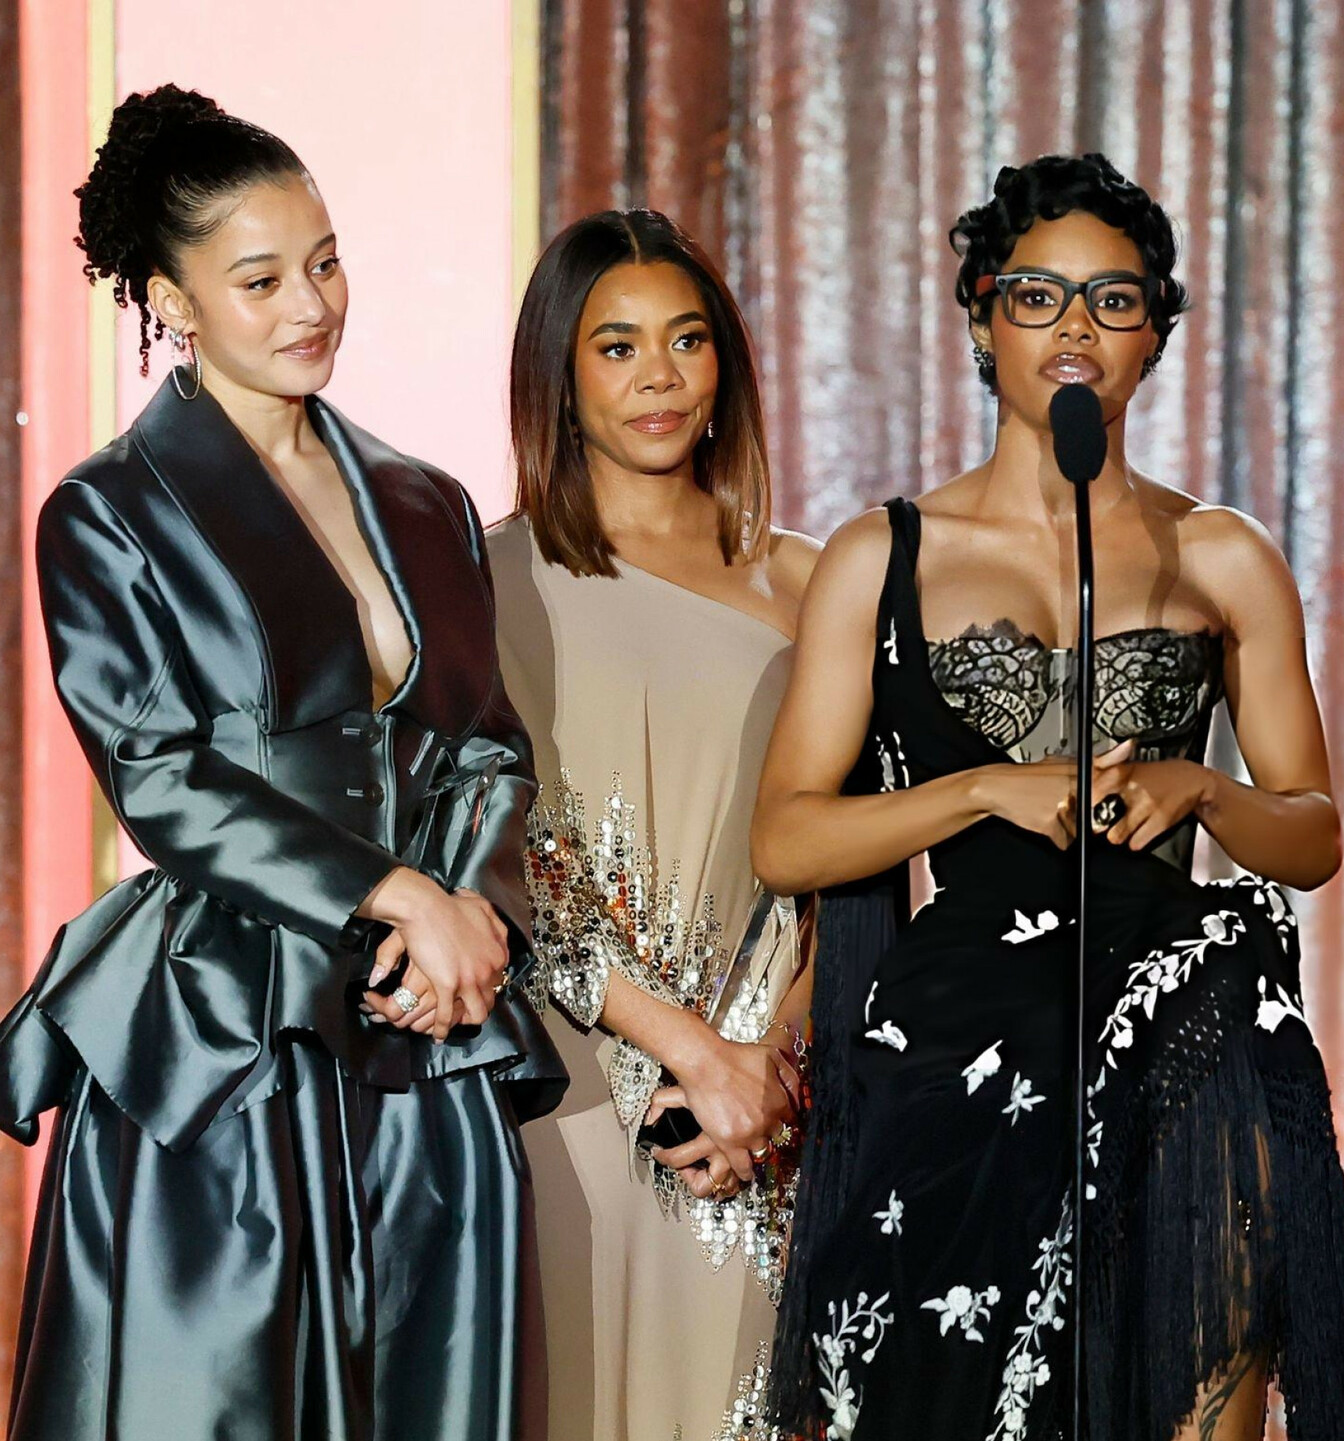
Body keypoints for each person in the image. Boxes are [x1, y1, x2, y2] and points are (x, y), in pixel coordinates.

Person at [756, 154, 1344, 1440]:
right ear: (982, 316)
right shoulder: (881, 554)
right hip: (961, 1045)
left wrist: (1200, 788)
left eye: (1115, 299)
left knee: (1202, 1374)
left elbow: (1312, 833)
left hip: (1187, 1038)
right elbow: (789, 837)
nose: (1076, 328)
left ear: (1156, 334)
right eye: (1039, 295)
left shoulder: (1224, 553)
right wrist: (981, 790)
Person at [0, 85, 563, 1441]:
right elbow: (160, 777)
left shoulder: (423, 498)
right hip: (230, 1027)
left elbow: (486, 741)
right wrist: (393, 896)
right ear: (170, 300)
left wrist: (465, 915)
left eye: (326, 261)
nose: (313, 305)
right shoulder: (109, 511)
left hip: (424, 1024)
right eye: (261, 280)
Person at [488, 209, 819, 1440]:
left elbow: (860, 864)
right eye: (617, 347)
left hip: (775, 1113)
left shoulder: (814, 583)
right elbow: (501, 871)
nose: (660, 376)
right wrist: (689, 1055)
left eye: (687, 339)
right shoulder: (489, 581)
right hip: (574, 1091)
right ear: (560, 378)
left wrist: (773, 1067)